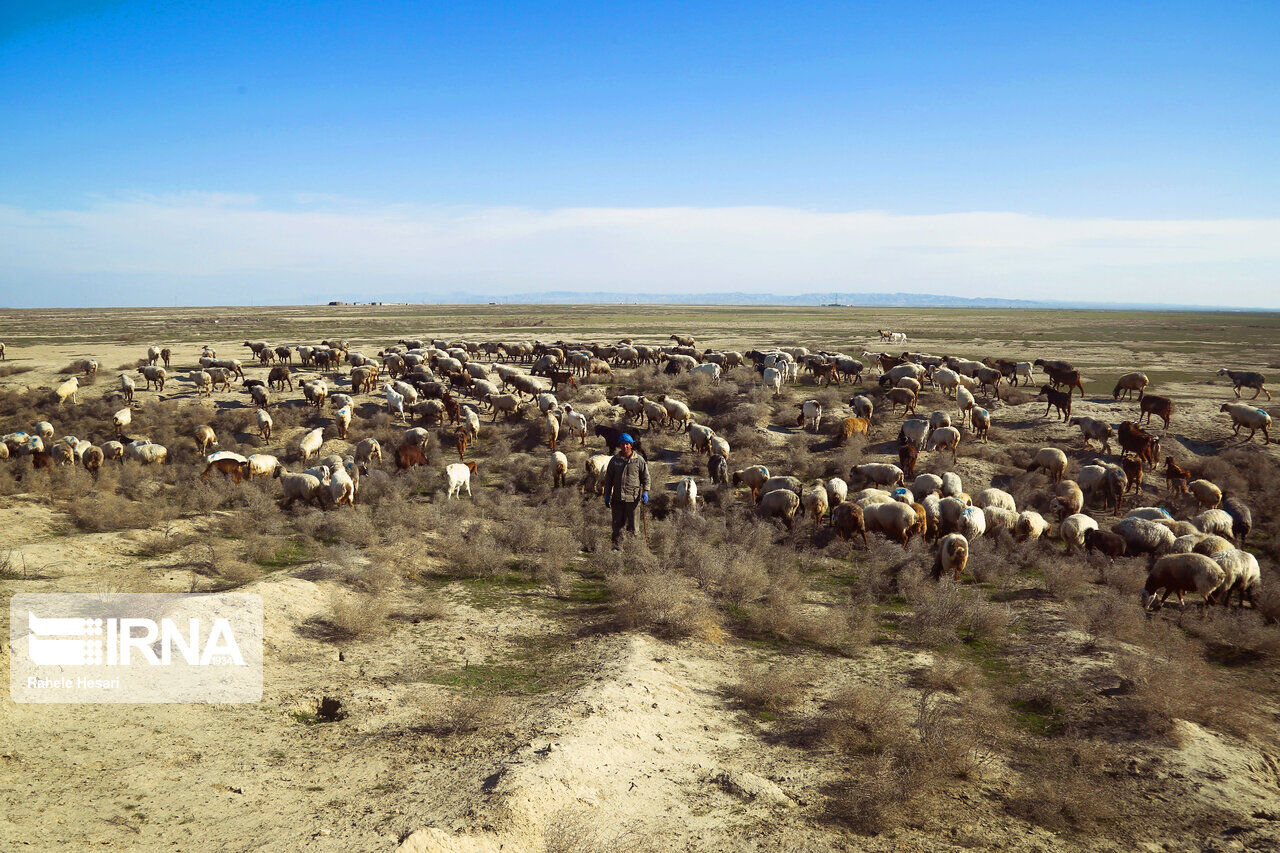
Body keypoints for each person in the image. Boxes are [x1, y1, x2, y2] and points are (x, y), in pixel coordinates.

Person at [602, 433, 649, 548]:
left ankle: (633, 549)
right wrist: (607, 495)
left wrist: (646, 492)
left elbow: (646, 478)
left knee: (633, 528)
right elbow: (608, 479)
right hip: (617, 498)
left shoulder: (639, 460)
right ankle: (617, 548)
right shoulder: (614, 460)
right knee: (617, 526)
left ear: (631, 445)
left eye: (627, 444)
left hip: (633, 499)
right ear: (620, 445)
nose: (625, 446)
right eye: (622, 444)